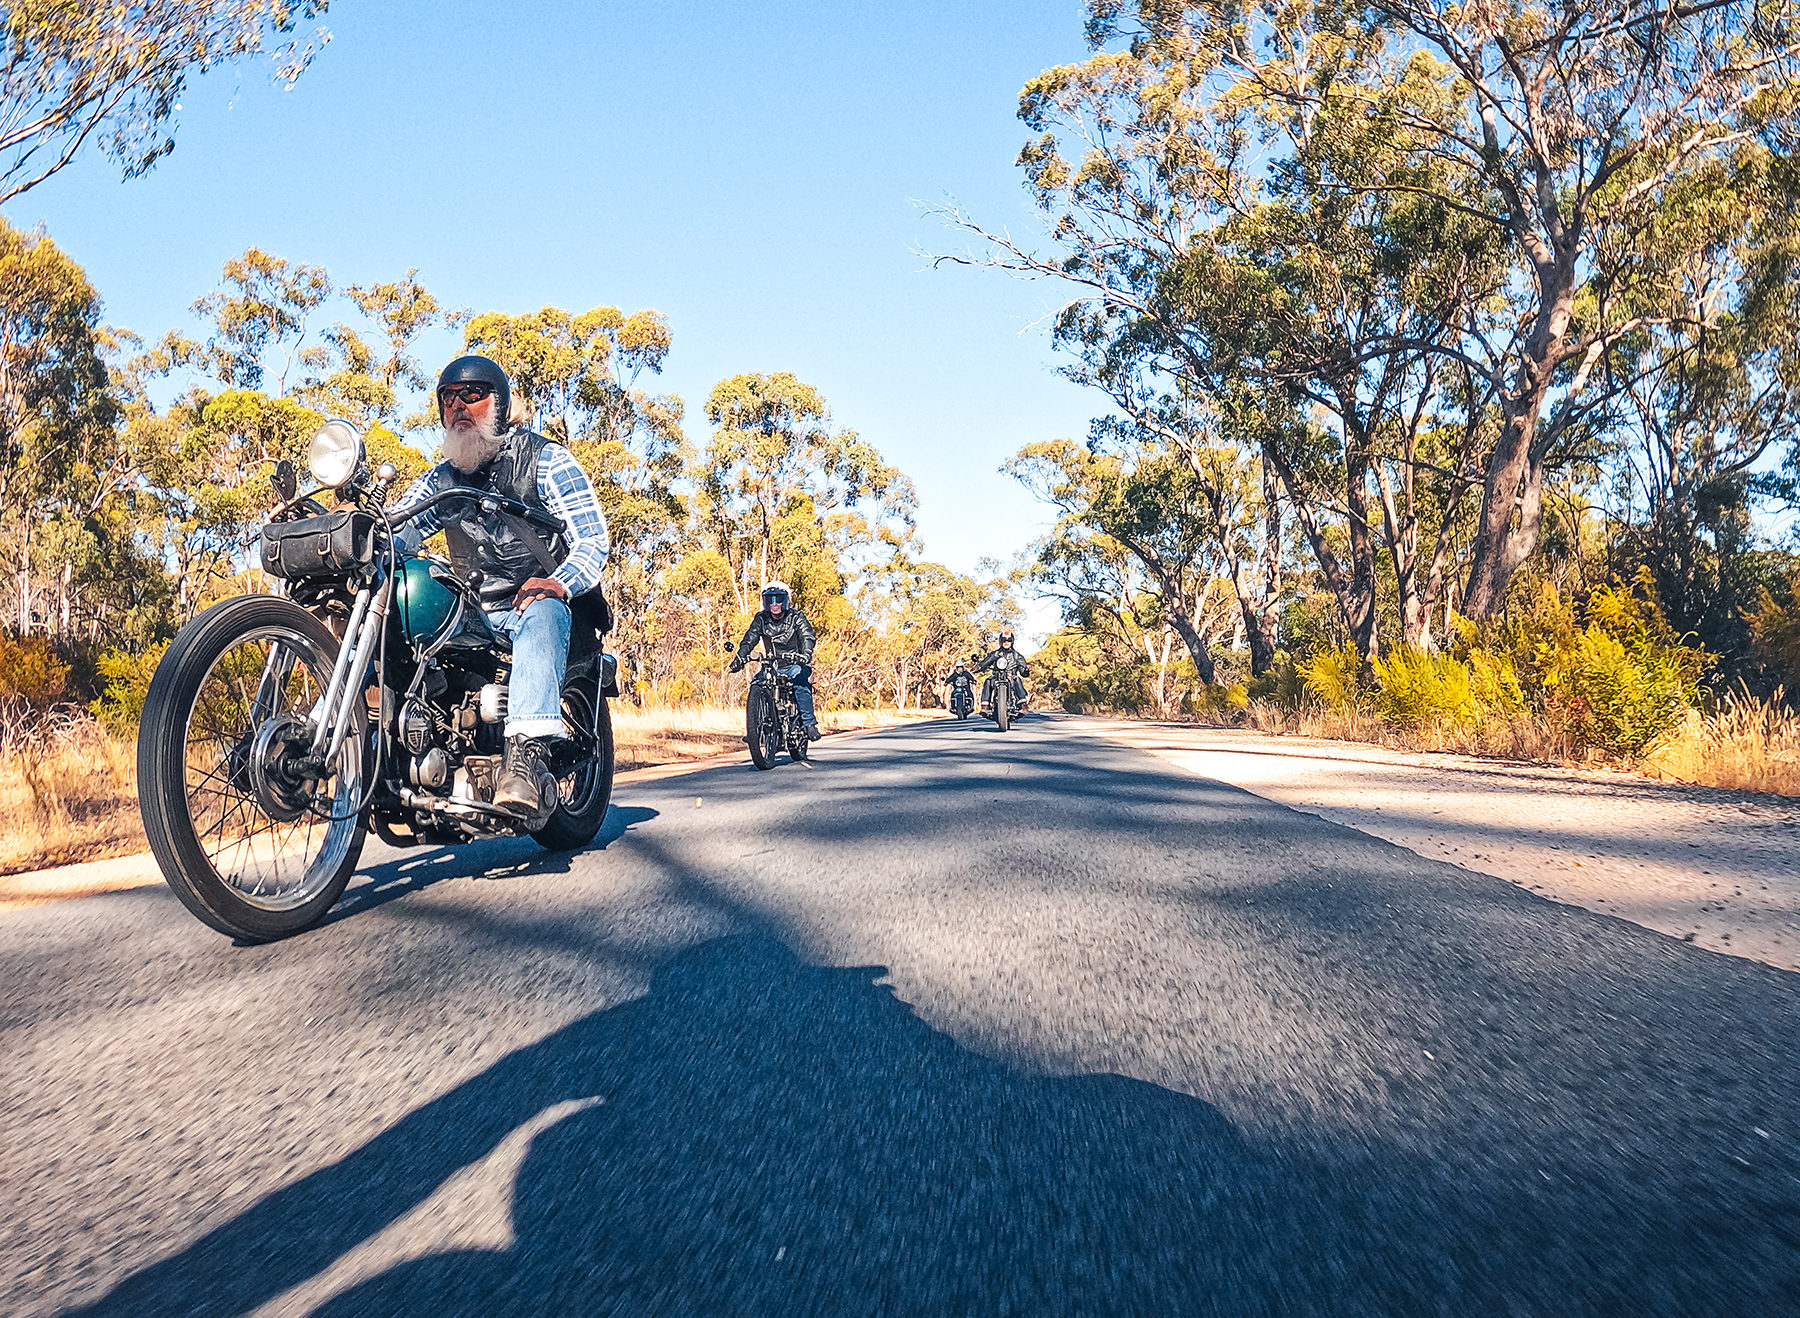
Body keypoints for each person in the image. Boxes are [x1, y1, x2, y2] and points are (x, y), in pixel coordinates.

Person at [390, 354, 611, 821]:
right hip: (469, 613)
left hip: (529, 607)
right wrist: (334, 529)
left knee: (544, 609)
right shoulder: (442, 478)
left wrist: (558, 582)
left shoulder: (545, 460)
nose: (459, 407)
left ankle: (527, 758)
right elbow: (395, 529)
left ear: (500, 402)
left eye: (473, 395)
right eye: (449, 398)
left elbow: (592, 537)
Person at [729, 581, 820, 740]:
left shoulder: (796, 617)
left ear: (786, 600)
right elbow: (749, 639)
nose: (774, 604)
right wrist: (740, 658)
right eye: (769, 600)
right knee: (756, 683)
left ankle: (809, 724)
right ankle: (754, 730)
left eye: (778, 599)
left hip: (795, 664)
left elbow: (807, 636)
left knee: (799, 682)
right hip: (772, 666)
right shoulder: (761, 619)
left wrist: (805, 655)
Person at [974, 627, 1029, 714]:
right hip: (997, 676)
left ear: (1012, 641)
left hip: (1011, 676)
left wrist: (1026, 669)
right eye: (1004, 640)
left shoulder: (1017, 656)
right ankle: (984, 706)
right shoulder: (995, 654)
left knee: (1017, 679)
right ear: (1000, 641)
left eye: (1009, 640)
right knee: (988, 681)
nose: (1006, 642)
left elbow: (1023, 672)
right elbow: (985, 663)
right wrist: (978, 667)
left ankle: (1023, 705)